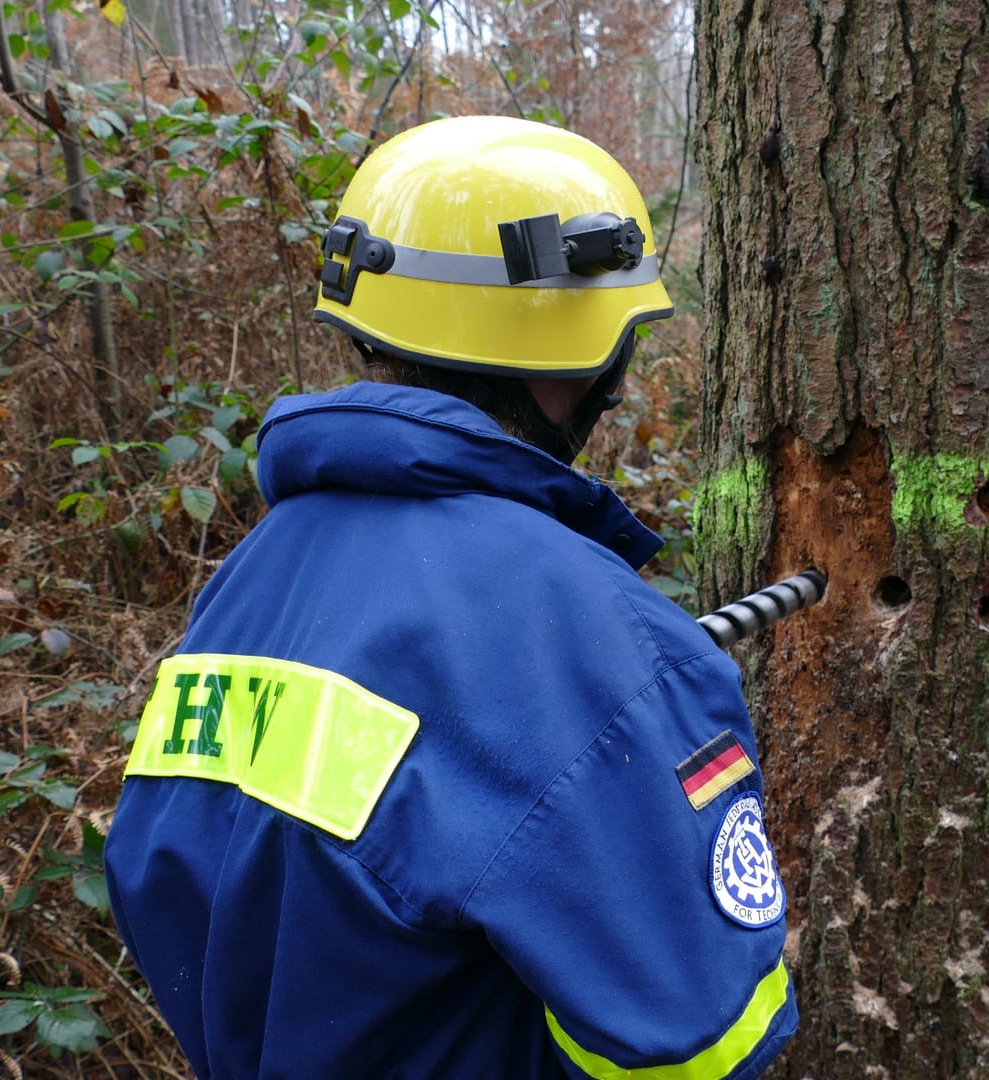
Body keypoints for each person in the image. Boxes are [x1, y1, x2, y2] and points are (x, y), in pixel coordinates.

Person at [103, 115, 798, 1079]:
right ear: (587, 355)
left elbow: (172, 884)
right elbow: (699, 1038)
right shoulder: (595, 639)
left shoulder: (252, 579)